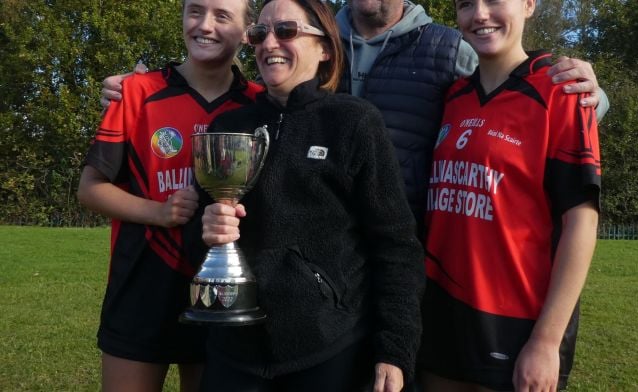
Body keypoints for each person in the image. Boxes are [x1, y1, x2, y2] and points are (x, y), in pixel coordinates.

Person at [100, 1, 607, 236]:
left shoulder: (447, 46)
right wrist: (146, 84)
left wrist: (589, 93)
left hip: (406, 240)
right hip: (316, 241)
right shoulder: (312, 36)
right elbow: (257, 80)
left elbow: (512, 97)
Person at [183, 0, 424, 391]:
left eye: (287, 31)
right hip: (234, 351)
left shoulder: (354, 122)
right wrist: (205, 232)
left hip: (330, 352)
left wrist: (394, 351)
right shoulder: (228, 127)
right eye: (259, 34)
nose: (269, 43)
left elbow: (395, 246)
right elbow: (195, 240)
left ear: (325, 47)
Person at [77, 0, 262, 390]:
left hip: (224, 291)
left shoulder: (259, 105)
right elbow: (90, 189)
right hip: (142, 286)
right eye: (195, 11)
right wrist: (158, 212)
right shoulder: (137, 92)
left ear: (247, 32)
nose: (205, 25)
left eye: (223, 16)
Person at [418, 0, 601, 391]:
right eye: (466, 5)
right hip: (442, 315)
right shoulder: (452, 96)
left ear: (529, 5)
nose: (480, 15)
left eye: (494, 1)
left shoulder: (561, 90)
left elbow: (582, 222)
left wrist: (547, 341)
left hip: (515, 325)